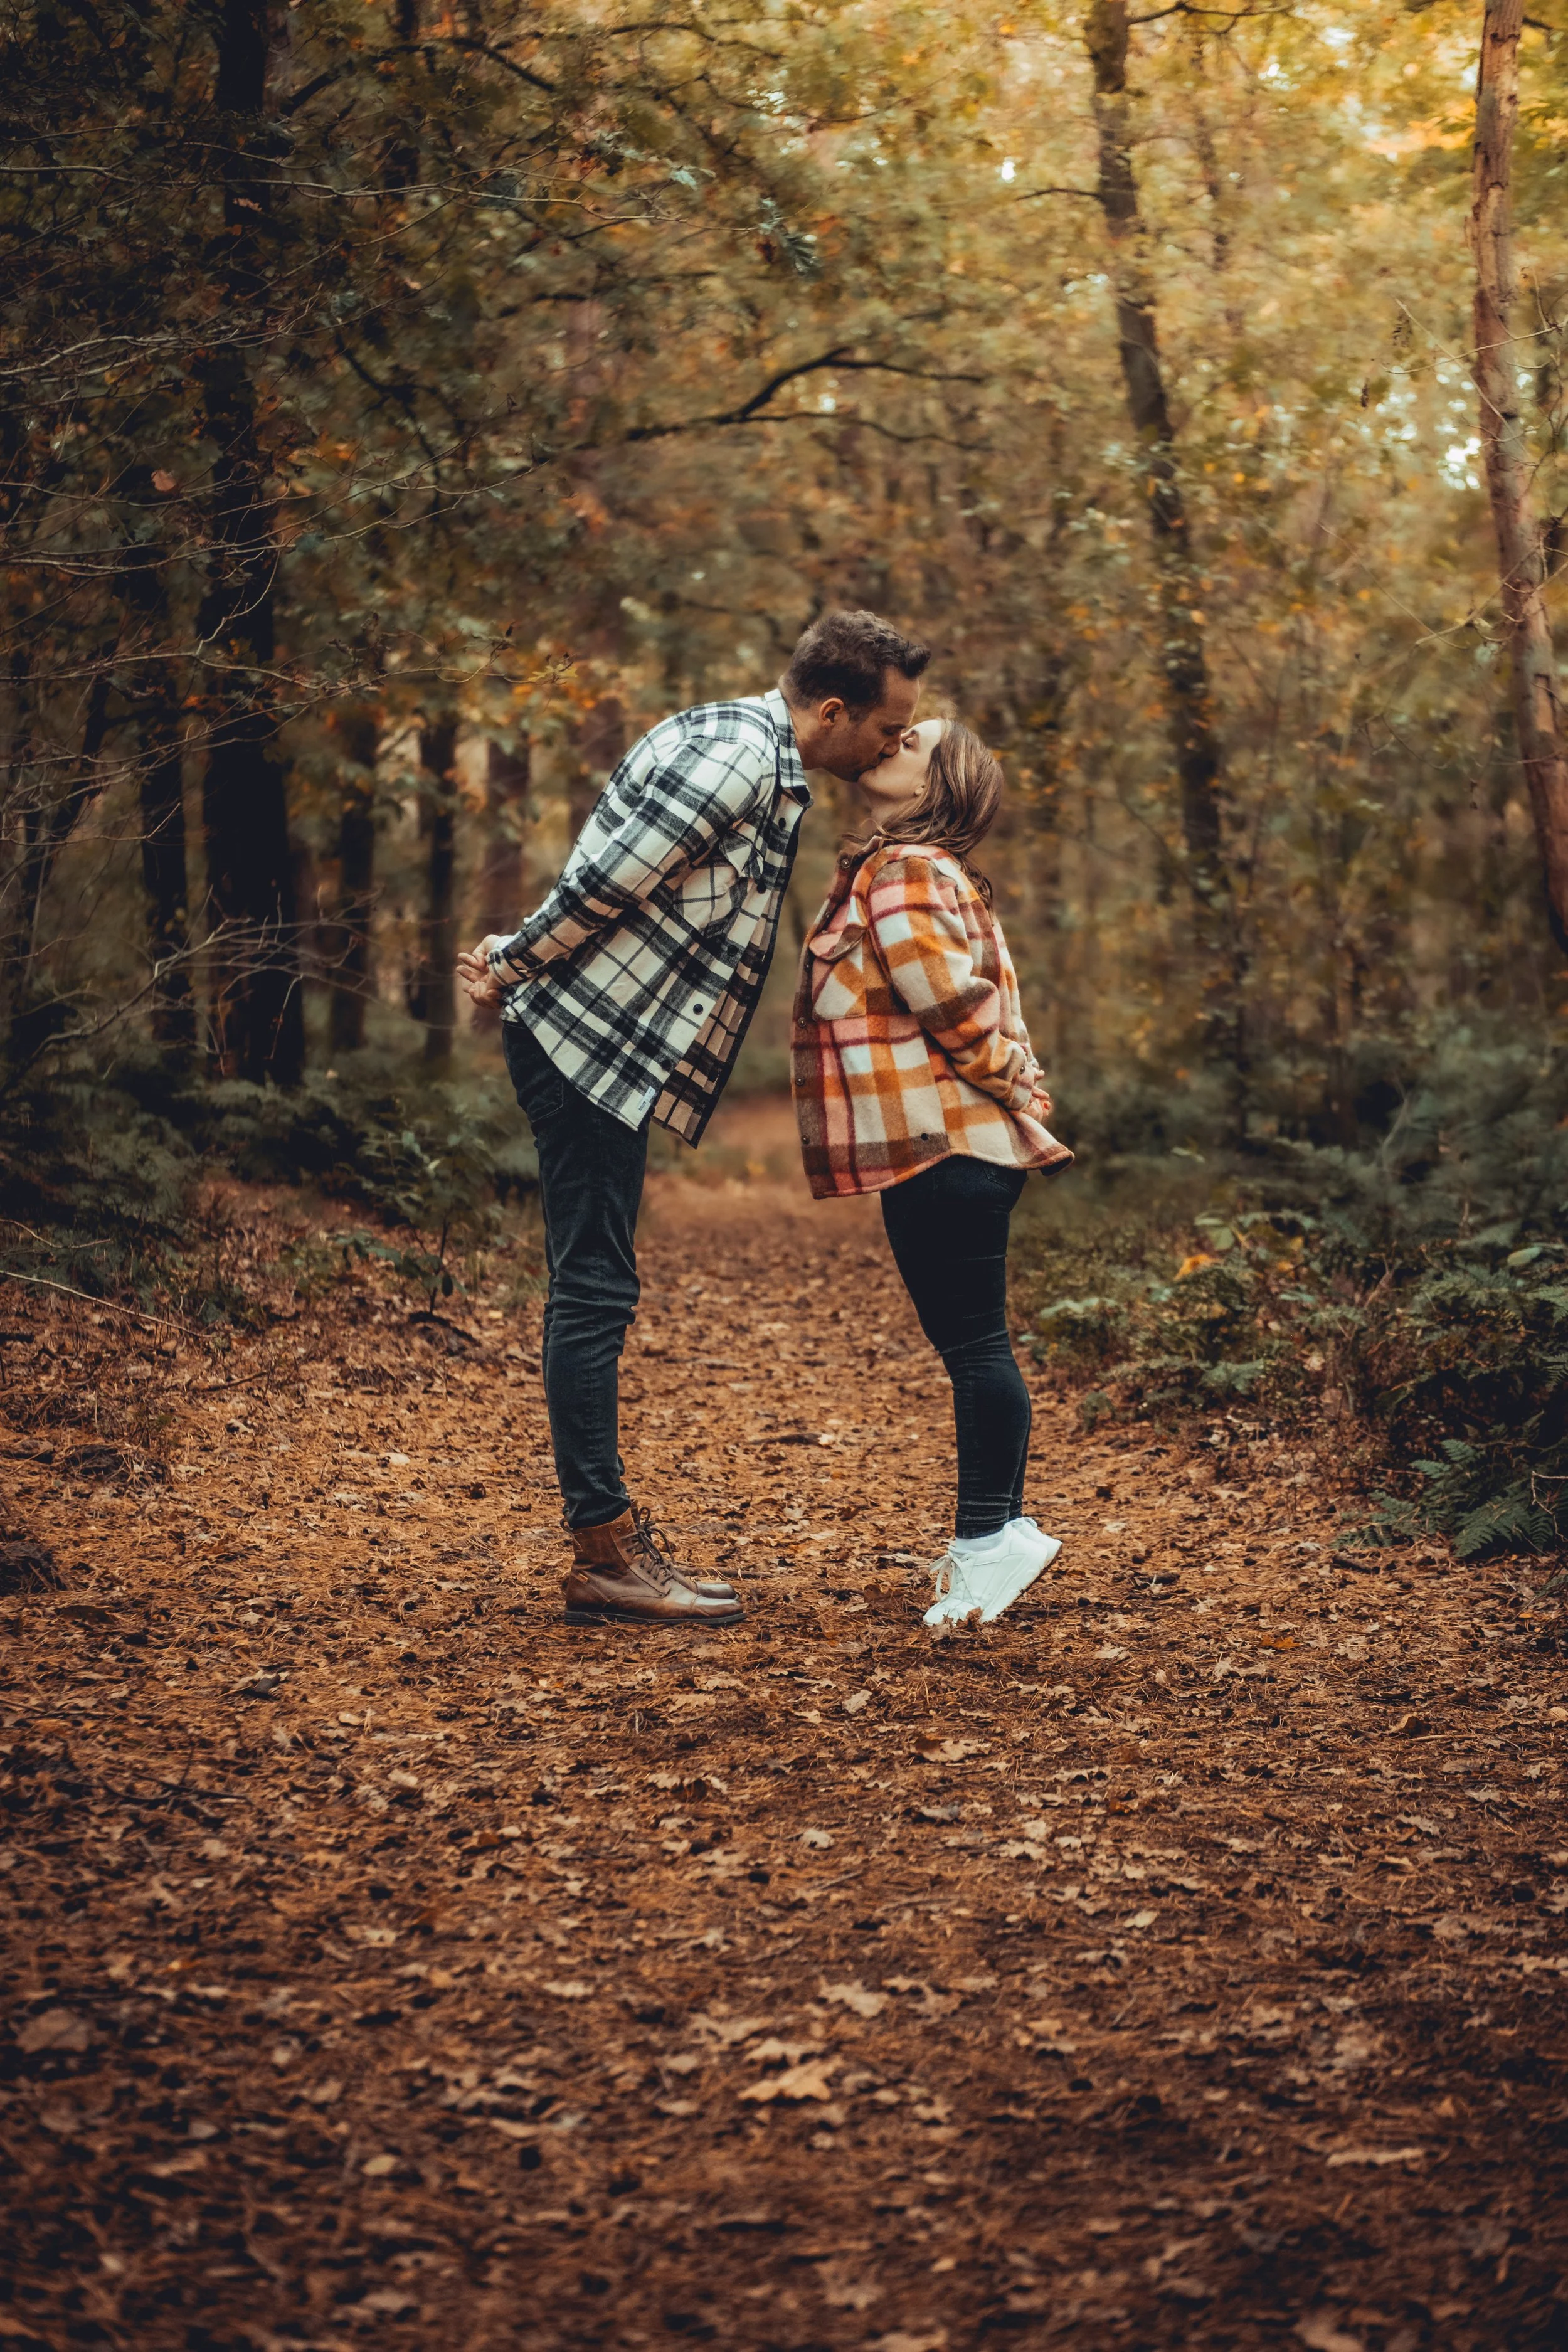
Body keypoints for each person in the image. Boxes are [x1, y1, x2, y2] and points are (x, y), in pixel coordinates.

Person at [457, 609, 931, 1629]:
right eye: (889, 730)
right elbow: (605, 880)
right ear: (835, 709)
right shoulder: (736, 756)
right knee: (593, 1286)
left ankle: (609, 1545)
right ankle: (607, 1552)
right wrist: (512, 958)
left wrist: (517, 959)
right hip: (580, 1040)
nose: (894, 748)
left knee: (600, 1282)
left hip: (602, 1046)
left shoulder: (759, 759)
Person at [791, 717, 1073, 1628]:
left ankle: (988, 1544)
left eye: (915, 738)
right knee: (977, 1343)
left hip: (952, 1142)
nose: (893, 735)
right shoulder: (907, 869)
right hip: (947, 1144)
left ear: (935, 783)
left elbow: (955, 1005)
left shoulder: (906, 871)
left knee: (976, 1347)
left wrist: (1016, 1081)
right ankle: (1003, 1528)